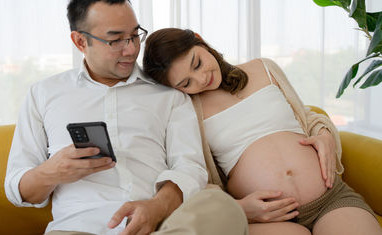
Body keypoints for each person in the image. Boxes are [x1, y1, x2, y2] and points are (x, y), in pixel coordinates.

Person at [4, 0, 249, 235]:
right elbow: (17, 189)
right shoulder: (43, 94)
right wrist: (52, 171)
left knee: (221, 206)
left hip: (161, 226)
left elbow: (190, 167)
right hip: (77, 228)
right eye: (116, 40)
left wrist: (157, 207)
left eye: (134, 35)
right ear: (80, 41)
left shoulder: (169, 95)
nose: (131, 49)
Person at [142, 27, 382, 235]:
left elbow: (306, 116)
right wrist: (239, 208)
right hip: (263, 218)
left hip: (329, 198)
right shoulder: (187, 110)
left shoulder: (263, 68)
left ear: (199, 39)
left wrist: (326, 136)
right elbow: (192, 172)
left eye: (197, 63)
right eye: (186, 83)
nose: (201, 78)